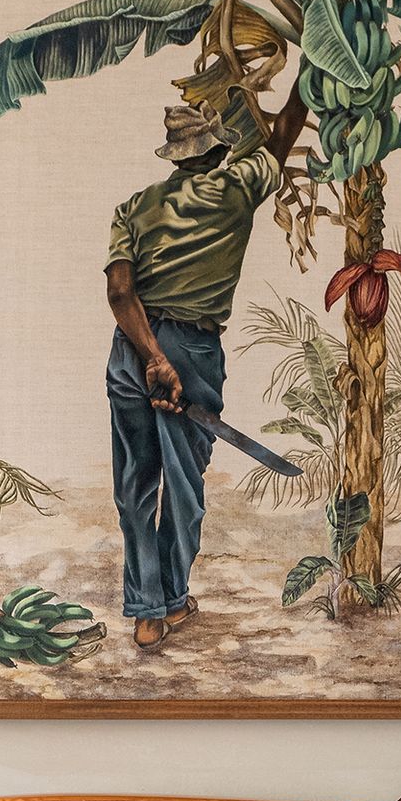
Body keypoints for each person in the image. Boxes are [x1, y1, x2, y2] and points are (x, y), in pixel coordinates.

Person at [104, 83, 305, 649]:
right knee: (184, 487)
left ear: (175, 157)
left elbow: (121, 294)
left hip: (131, 349)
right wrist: (311, 63)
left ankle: (148, 613)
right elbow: (286, 130)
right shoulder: (237, 187)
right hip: (189, 354)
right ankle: (166, 604)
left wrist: (148, 357)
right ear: (217, 151)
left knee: (135, 485)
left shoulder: (133, 209)